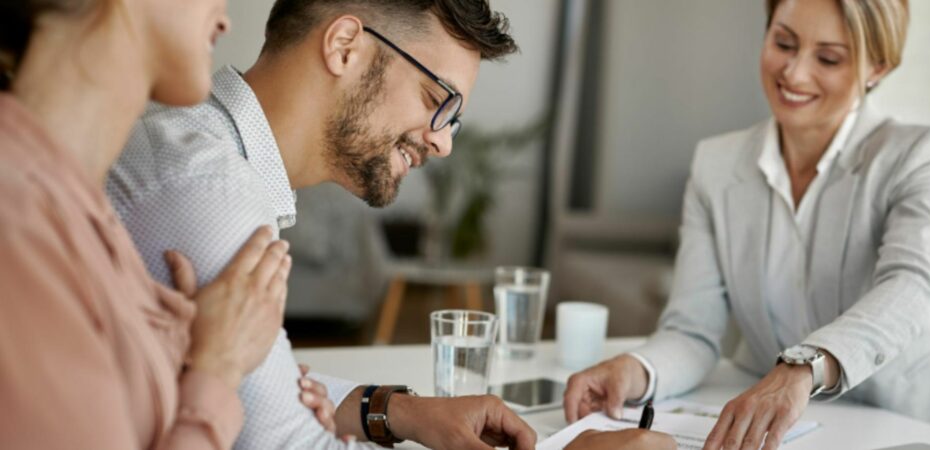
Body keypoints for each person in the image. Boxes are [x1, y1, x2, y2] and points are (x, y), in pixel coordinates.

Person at [106, 1, 540, 449]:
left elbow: (265, 387)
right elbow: (283, 440)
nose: (443, 142)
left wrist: (399, 411)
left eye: (453, 120)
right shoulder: (213, 189)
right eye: (436, 99)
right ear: (344, 47)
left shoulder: (203, 147)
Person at [563, 1, 930, 449]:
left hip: (913, 428)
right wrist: (634, 368)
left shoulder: (920, 155)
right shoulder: (716, 165)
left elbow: (914, 283)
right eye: (783, 42)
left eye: (828, 58)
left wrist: (803, 367)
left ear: (877, 68)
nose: (794, 73)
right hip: (784, 435)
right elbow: (692, 330)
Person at [0, 0, 295, 448]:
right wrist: (217, 371)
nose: (224, 16)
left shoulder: (80, 209)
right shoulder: (19, 223)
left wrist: (178, 342)